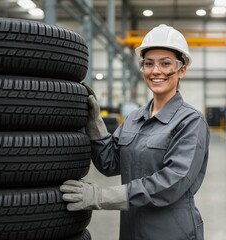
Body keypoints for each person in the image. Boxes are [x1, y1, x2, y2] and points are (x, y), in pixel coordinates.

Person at [60, 24, 210, 240]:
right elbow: (109, 162)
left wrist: (101, 196)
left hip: (171, 232)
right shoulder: (134, 118)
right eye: (149, 64)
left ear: (181, 70)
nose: (156, 71)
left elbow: (171, 183)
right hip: (132, 230)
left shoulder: (190, 121)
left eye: (165, 63)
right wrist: (94, 122)